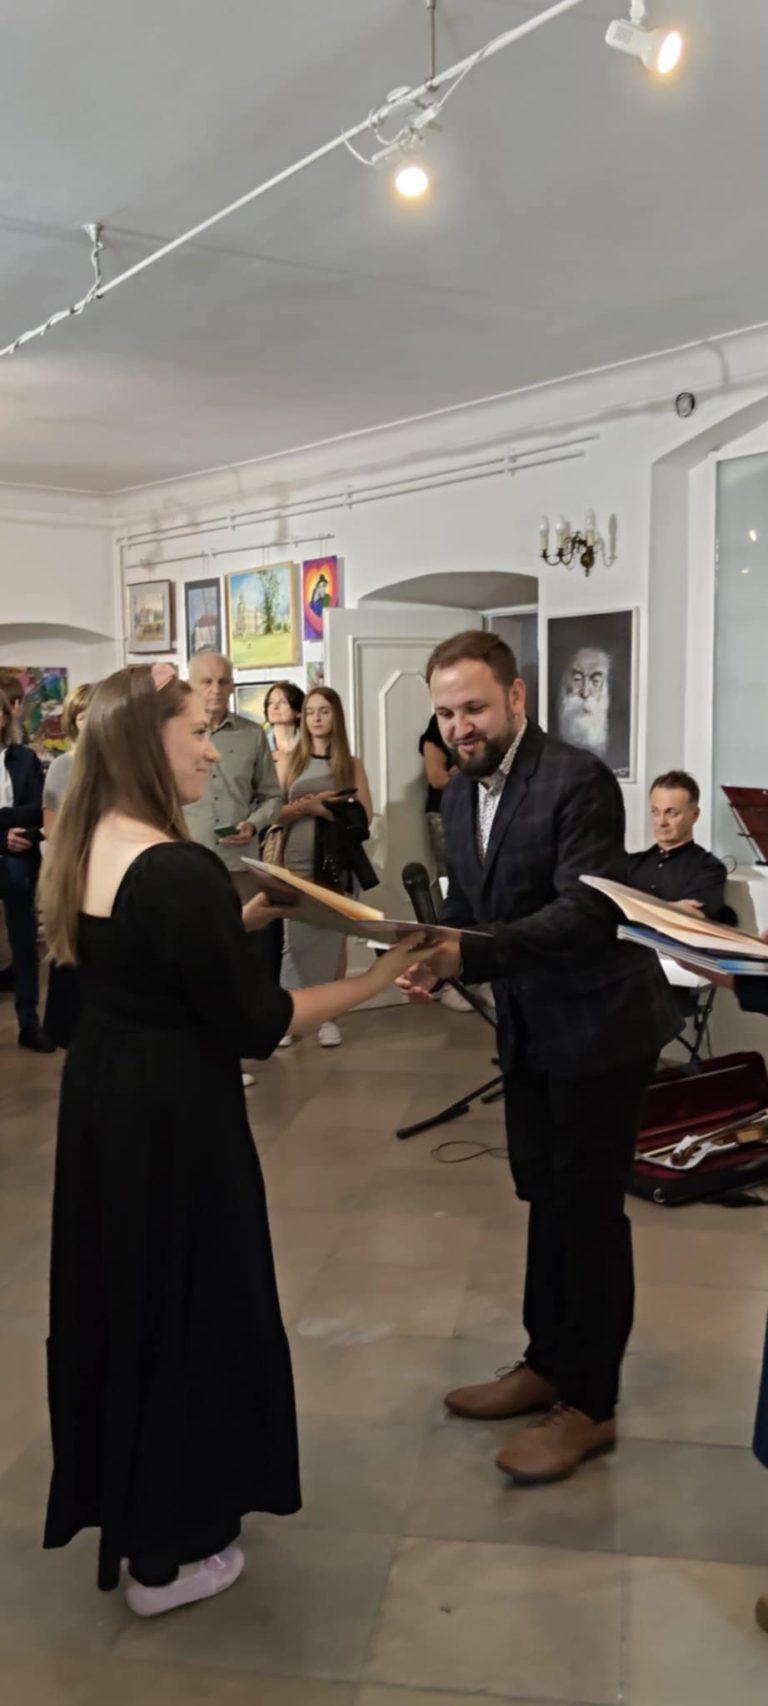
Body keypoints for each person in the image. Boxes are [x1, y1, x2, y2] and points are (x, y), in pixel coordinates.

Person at [40, 663, 430, 1616]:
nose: (212, 753)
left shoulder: (86, 842)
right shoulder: (173, 867)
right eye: (195, 734)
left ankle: (141, 1518)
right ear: (148, 745)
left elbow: (134, 972)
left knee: (128, 1300)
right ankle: (170, 1553)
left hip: (105, 1104)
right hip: (175, 1118)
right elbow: (257, 1021)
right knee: (188, 1307)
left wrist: (245, 914)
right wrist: (377, 980)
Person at [398, 630, 680, 1485]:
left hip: (600, 1029)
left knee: (588, 1216)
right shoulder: (457, 794)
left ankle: (590, 1406)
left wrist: (472, 953)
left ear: (517, 698)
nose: (460, 727)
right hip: (529, 1028)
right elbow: (474, 911)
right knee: (543, 1200)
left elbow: (584, 914)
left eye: (474, 707)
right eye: (446, 713)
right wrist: (432, 954)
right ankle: (545, 1362)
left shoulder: (577, 779)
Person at [280, 687, 373, 1049]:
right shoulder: (290, 761)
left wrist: (326, 810)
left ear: (336, 716)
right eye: (310, 712)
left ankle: (328, 1017)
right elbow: (276, 813)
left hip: (336, 863)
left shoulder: (351, 764)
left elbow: (364, 817)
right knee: (294, 941)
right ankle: (289, 1015)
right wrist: (304, 808)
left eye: (324, 711)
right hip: (294, 862)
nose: (316, 718)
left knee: (333, 939)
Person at [0, 689, 54, 1051]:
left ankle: (29, 1022)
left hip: (18, 855)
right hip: (7, 844)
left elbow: (37, 808)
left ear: (5, 717)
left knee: (24, 943)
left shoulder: (24, 758)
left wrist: (5, 825)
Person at [41, 683, 94, 1048]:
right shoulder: (64, 766)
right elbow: (52, 829)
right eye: (82, 716)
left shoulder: (114, 764)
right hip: (75, 873)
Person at [626, 770, 728, 919]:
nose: (661, 822)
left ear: (694, 815)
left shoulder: (709, 868)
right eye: (655, 811)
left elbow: (691, 917)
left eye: (671, 813)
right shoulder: (630, 863)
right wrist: (673, 908)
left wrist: (633, 907)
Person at [265, 680, 304, 764]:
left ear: (298, 711)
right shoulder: (260, 745)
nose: (275, 707)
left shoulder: (309, 743)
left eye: (283, 702)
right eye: (271, 702)